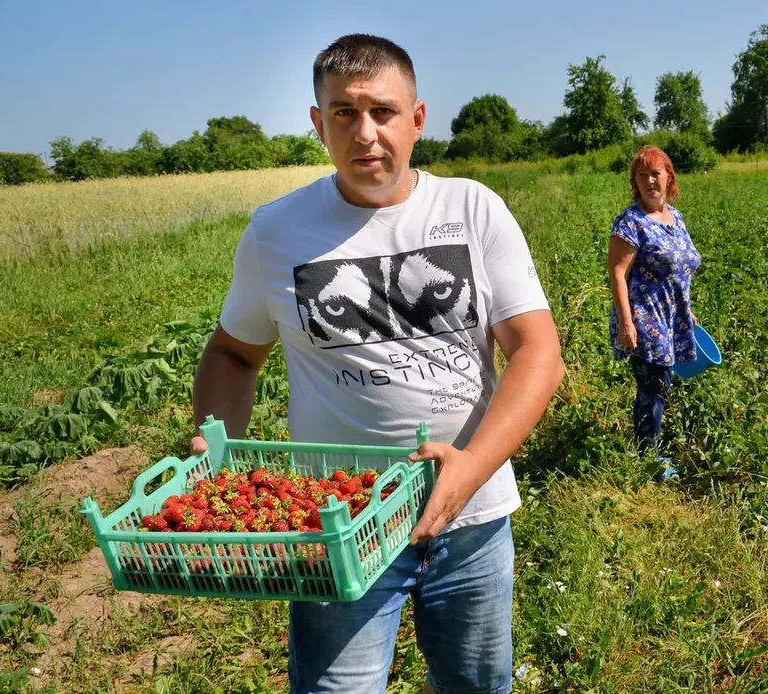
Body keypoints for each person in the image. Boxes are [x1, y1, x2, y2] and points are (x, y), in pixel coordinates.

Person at [188, 33, 564, 694]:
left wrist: (470, 470)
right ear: (317, 124)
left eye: (383, 112)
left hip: (471, 520)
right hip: (340, 530)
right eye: (344, 113)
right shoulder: (276, 233)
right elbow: (232, 353)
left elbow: (538, 352)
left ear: (417, 120)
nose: (366, 133)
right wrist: (212, 442)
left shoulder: (473, 210)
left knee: (477, 685)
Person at [607, 146, 701, 482]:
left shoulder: (675, 217)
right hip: (645, 317)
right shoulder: (630, 222)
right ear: (635, 181)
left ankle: (650, 448)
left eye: (656, 174)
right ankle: (648, 459)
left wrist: (686, 313)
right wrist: (627, 323)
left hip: (670, 315)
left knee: (661, 384)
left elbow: (681, 268)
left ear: (669, 177)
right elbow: (617, 273)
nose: (650, 181)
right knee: (653, 386)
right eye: (643, 175)